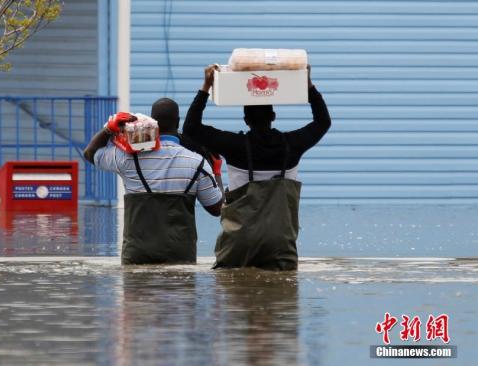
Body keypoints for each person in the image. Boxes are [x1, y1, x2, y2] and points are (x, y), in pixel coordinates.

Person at [182, 64, 331, 270]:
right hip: (280, 243)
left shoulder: (234, 145)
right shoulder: (293, 145)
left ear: (246, 120)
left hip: (239, 242)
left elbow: (190, 128)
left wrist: (206, 87)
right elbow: (323, 122)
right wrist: (308, 85)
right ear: (273, 117)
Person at [83, 98, 223, 265]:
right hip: (180, 255)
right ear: (178, 122)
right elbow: (218, 209)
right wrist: (216, 171)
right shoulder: (197, 162)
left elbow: (90, 153)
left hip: (136, 255)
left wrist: (109, 129)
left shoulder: (128, 158)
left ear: (152, 122)